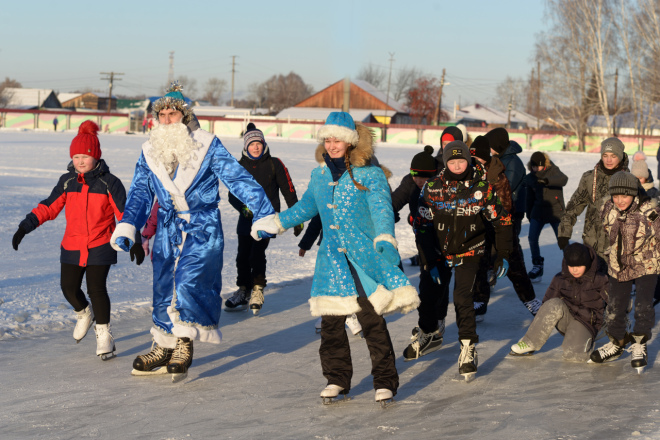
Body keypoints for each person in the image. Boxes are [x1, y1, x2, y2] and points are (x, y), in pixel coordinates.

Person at [110, 83, 275, 380]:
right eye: (161, 114)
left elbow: (238, 179)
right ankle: (163, 345)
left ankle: (184, 343)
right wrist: (128, 225)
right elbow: (138, 193)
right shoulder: (149, 150)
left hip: (201, 226)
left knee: (187, 282)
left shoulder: (207, 145)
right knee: (163, 286)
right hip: (167, 228)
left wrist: (263, 213)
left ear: (184, 116)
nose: (166, 119)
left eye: (172, 114)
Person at [253, 111, 419, 405]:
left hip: (363, 259)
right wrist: (276, 223)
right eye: (327, 139)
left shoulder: (370, 173)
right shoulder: (319, 175)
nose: (331, 145)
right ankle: (336, 380)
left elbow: (382, 210)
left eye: (338, 140)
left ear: (350, 142)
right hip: (331, 261)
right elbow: (306, 208)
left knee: (372, 322)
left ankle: (385, 381)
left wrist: (385, 238)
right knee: (331, 325)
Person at [11, 121, 143, 359]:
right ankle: (84, 314)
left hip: (101, 244)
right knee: (68, 288)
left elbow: (125, 214)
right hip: (72, 244)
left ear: (96, 157)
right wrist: (25, 226)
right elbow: (48, 207)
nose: (80, 161)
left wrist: (134, 240)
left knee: (96, 288)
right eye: (76, 156)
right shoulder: (67, 181)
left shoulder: (109, 182)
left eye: (85, 156)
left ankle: (104, 335)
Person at [415, 140, 513, 380]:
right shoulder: (432, 188)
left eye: (461, 160)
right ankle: (429, 334)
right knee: (429, 293)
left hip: (470, 250)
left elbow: (502, 222)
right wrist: (429, 259)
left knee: (462, 298)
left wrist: (503, 254)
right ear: (445, 162)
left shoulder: (482, 189)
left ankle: (468, 347)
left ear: (468, 161)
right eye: (452, 161)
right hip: (439, 251)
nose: (457, 165)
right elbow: (423, 226)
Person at [224, 123, 301, 315]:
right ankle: (243, 290)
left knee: (256, 253)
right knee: (242, 256)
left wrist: (296, 216)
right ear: (246, 147)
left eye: (258, 143)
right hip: (246, 218)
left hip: (268, 219)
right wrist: (243, 208)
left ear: (263, 144)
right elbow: (232, 194)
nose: (255, 147)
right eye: (252, 144)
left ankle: (258, 288)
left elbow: (288, 190)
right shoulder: (239, 166)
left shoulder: (275, 164)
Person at [590, 171, 660, 372]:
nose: (620, 200)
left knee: (643, 306)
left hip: (646, 265)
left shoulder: (650, 212)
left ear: (635, 194)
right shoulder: (607, 208)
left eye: (625, 196)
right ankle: (617, 342)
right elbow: (605, 232)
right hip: (618, 265)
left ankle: (639, 342)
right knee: (613, 308)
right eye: (616, 196)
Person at [393, 145, 449, 361]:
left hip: (445, 240)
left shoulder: (442, 184)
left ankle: (435, 324)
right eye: (416, 176)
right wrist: (389, 215)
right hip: (423, 238)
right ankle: (430, 327)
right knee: (428, 283)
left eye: (424, 177)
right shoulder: (410, 181)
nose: (419, 181)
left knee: (439, 282)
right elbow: (394, 201)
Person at [509, 243, 607, 362]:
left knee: (574, 356)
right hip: (566, 319)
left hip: (587, 323)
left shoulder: (599, 279)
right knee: (553, 303)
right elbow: (546, 306)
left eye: (579, 266)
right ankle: (530, 342)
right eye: (571, 266)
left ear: (586, 264)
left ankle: (584, 341)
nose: (574, 270)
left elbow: (614, 301)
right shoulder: (560, 279)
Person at [484, 128, 540, 315]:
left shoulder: (513, 163)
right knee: (486, 257)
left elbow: (502, 189)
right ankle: (480, 301)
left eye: (490, 145)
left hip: (510, 214)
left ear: (497, 146)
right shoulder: (495, 160)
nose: (488, 149)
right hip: (491, 215)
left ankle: (530, 300)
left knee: (509, 256)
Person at [558, 137, 629, 267]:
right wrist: (564, 233)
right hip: (592, 245)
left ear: (620, 156)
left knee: (613, 286)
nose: (608, 160)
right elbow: (573, 206)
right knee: (591, 284)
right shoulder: (589, 178)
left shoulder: (629, 180)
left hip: (619, 247)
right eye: (605, 155)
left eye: (613, 156)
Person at [523, 151, 568, 283]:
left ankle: (570, 266)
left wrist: (547, 181)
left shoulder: (554, 170)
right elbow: (529, 198)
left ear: (545, 164)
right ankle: (537, 265)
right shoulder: (531, 177)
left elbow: (563, 180)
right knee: (532, 237)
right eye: (533, 166)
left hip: (555, 210)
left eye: (538, 166)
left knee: (563, 240)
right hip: (538, 211)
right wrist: (528, 213)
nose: (535, 169)